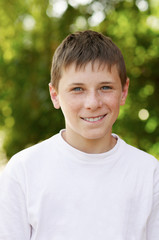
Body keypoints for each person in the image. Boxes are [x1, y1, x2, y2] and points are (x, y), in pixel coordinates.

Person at [0, 30, 159, 240]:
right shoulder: (24, 171)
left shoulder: (149, 173)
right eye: (77, 89)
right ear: (55, 95)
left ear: (123, 91)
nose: (92, 103)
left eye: (105, 87)